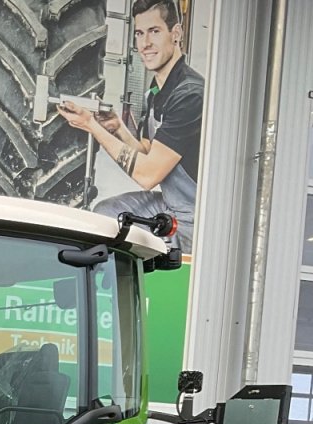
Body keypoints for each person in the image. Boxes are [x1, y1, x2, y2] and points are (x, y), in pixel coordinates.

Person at [56, 0, 204, 253]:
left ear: (176, 34)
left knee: (136, 244)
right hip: (170, 203)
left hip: (195, 216)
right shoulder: (157, 91)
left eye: (154, 31)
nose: (145, 43)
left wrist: (92, 126)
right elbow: (147, 152)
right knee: (106, 215)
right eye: (139, 33)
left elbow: (147, 175)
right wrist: (118, 128)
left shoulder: (189, 95)